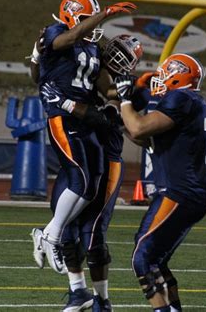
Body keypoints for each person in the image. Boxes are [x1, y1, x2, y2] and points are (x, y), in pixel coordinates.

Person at [30, 0, 137, 276]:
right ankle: (51, 236)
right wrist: (103, 15)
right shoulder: (56, 33)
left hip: (84, 116)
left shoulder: (90, 47)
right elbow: (62, 44)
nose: (90, 28)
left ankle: (48, 232)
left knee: (89, 188)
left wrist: (123, 89)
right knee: (79, 180)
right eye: (86, 20)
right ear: (72, 17)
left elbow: (105, 87)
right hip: (61, 114)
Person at [41, 34, 144, 312]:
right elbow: (45, 77)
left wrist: (66, 104)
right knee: (65, 226)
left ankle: (102, 300)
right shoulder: (82, 73)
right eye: (111, 52)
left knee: (93, 234)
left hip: (107, 162)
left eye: (119, 54)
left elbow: (105, 118)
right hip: (82, 155)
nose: (111, 57)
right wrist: (39, 55)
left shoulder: (124, 87)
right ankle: (78, 292)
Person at [115, 53, 206, 312]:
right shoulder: (191, 100)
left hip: (179, 192)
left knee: (142, 258)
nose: (159, 77)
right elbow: (148, 139)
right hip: (186, 192)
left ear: (178, 75)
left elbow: (139, 129)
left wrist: (126, 99)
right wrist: (122, 119)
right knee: (156, 259)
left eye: (165, 72)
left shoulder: (180, 98)